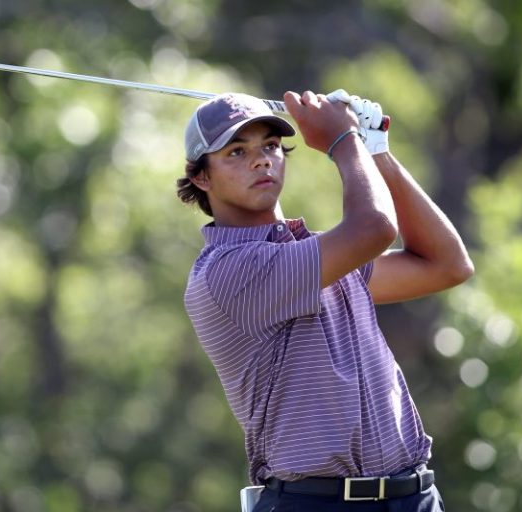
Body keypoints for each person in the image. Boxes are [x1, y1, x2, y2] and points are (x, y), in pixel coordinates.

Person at [176, 90, 474, 511]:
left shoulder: (317, 257)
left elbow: (446, 265)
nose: (261, 161)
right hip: (316, 503)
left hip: (413, 496)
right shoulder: (226, 272)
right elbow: (374, 228)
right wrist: (343, 140)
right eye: (236, 152)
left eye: (270, 146)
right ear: (201, 178)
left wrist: (377, 152)